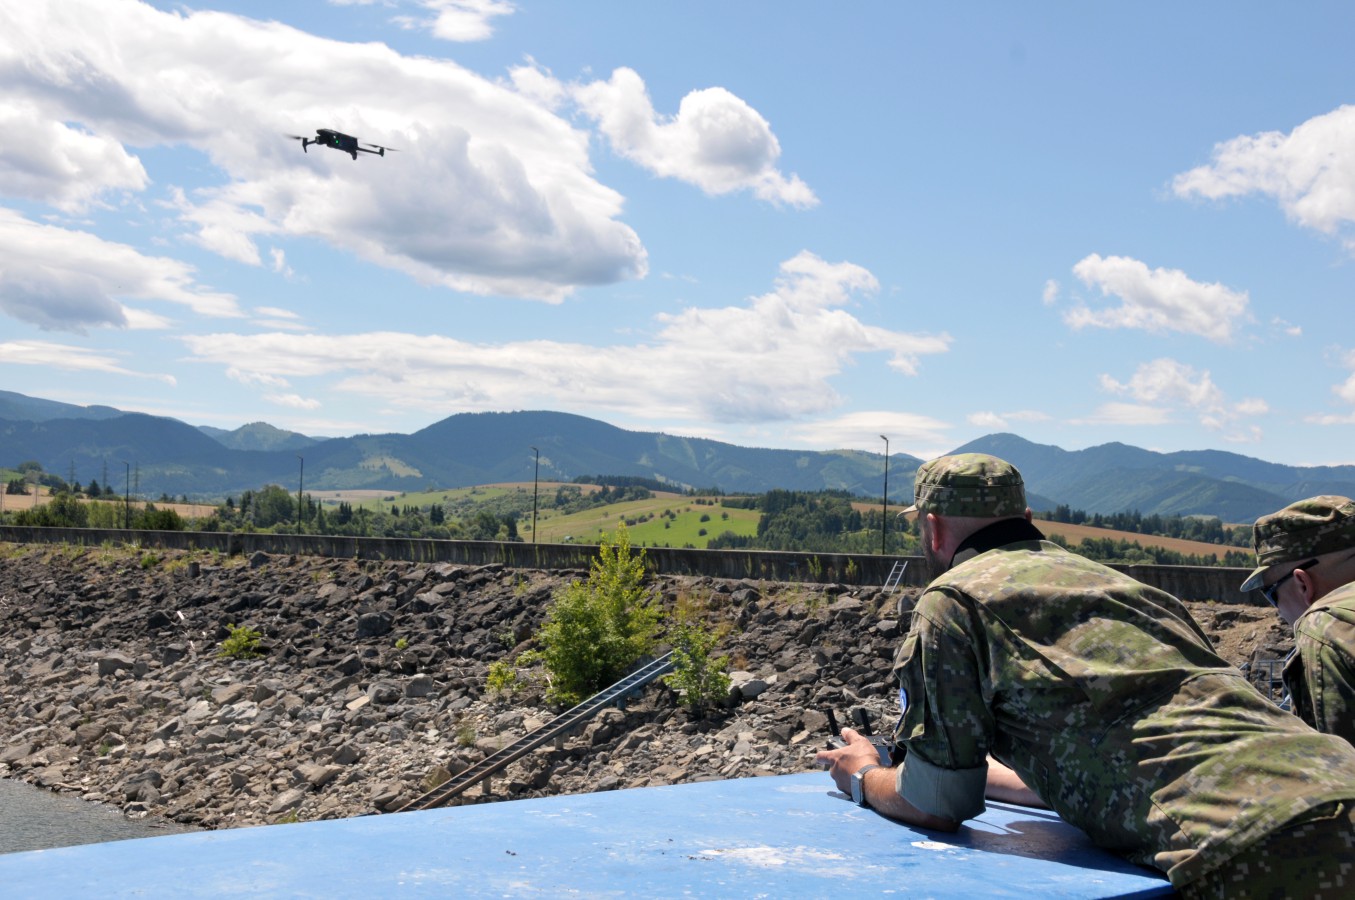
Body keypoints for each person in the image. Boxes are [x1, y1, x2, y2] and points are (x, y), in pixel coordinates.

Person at [818, 453, 1355, 898]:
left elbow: (935, 805)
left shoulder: (954, 601)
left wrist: (863, 775)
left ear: (933, 530)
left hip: (1262, 844)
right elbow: (1134, 750)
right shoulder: (1132, 591)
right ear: (1028, 517)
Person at [1242, 495, 1355, 745]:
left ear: (1303, 584)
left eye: (1271, 594)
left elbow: (1342, 765)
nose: (1278, 612)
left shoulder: (1325, 629)